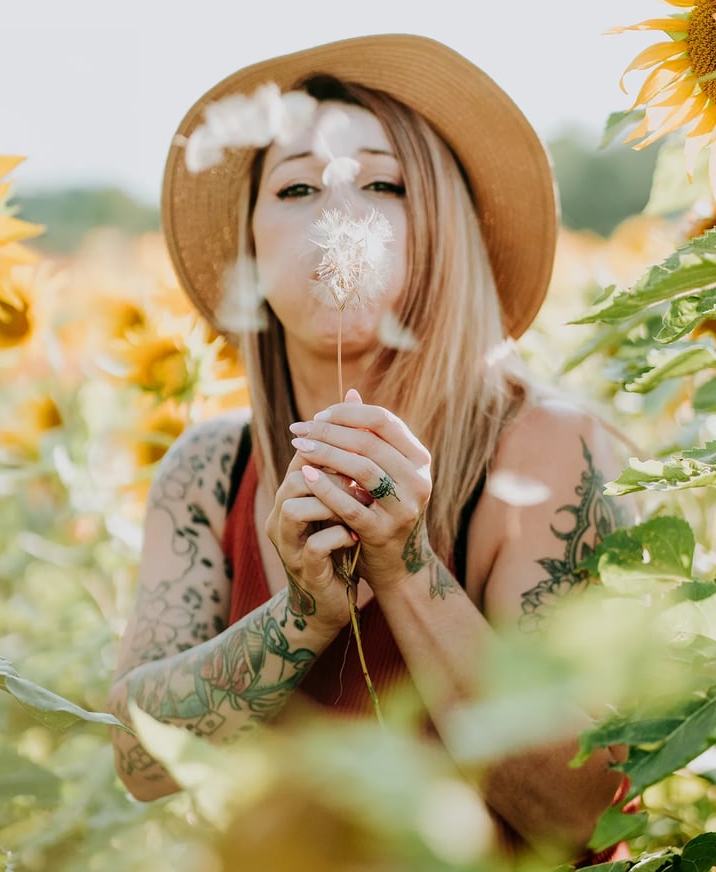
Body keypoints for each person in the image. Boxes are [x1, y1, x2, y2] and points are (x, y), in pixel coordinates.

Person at [108, 33, 630, 865]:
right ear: (250, 244)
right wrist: (304, 613)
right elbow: (138, 760)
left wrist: (402, 562)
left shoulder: (548, 449)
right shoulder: (209, 474)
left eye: (382, 183)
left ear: (441, 230)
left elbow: (585, 812)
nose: (337, 210)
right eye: (297, 186)